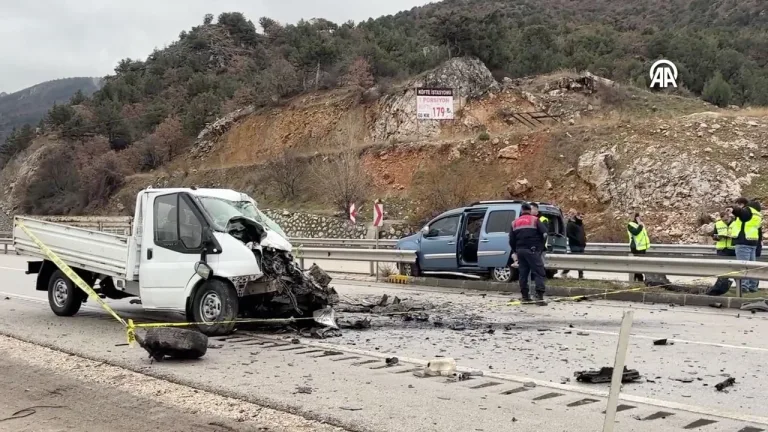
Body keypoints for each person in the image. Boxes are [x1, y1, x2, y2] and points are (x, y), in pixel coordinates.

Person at [509, 203, 548, 305]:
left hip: (520, 251)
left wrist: (515, 251)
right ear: (530, 210)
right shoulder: (535, 220)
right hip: (533, 250)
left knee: (523, 274)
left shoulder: (514, 223)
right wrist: (540, 248)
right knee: (539, 272)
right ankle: (539, 298)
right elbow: (544, 234)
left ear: (521, 210)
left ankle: (525, 297)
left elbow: (511, 240)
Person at [730, 197, 762, 293]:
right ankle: (753, 286)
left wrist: (733, 209)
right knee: (752, 266)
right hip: (752, 242)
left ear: (743, 204)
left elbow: (742, 213)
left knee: (743, 265)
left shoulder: (747, 210)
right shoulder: (757, 214)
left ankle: (743, 287)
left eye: (739, 204)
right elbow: (759, 230)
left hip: (743, 241)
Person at [708, 210, 736, 296]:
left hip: (733, 249)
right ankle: (720, 287)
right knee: (723, 269)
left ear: (729, 217)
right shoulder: (718, 224)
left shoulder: (736, 223)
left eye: (726, 220)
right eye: (723, 220)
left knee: (735, 269)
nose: (725, 221)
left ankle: (741, 286)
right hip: (722, 249)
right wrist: (717, 237)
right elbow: (714, 235)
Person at [561, 210, 586, 279]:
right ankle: (566, 272)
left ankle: (580, 274)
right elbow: (569, 234)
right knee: (575, 260)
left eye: (582, 217)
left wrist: (584, 242)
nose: (581, 218)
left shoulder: (580, 225)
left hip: (581, 245)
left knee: (580, 260)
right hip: (574, 245)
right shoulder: (571, 224)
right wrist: (576, 240)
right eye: (580, 216)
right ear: (576, 216)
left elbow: (583, 234)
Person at [627, 213, 650, 282]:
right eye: (641, 216)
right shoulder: (631, 225)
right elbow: (635, 232)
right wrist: (640, 226)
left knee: (641, 264)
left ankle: (638, 278)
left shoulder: (641, 224)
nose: (643, 217)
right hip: (636, 247)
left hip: (642, 247)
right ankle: (639, 279)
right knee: (638, 264)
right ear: (637, 217)